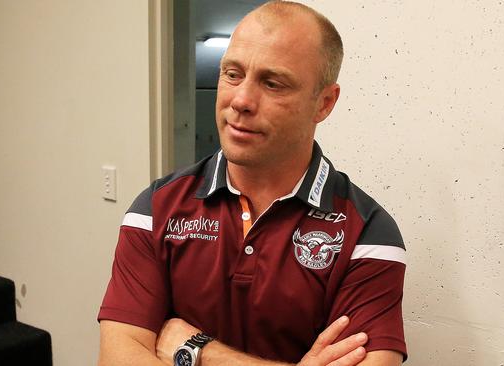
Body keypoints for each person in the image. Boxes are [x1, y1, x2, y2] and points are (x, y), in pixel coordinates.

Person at [98, 1, 407, 365]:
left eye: (272, 83)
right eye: (232, 74)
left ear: (324, 103)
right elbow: (117, 358)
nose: (241, 100)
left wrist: (198, 351)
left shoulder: (368, 234)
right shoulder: (156, 209)